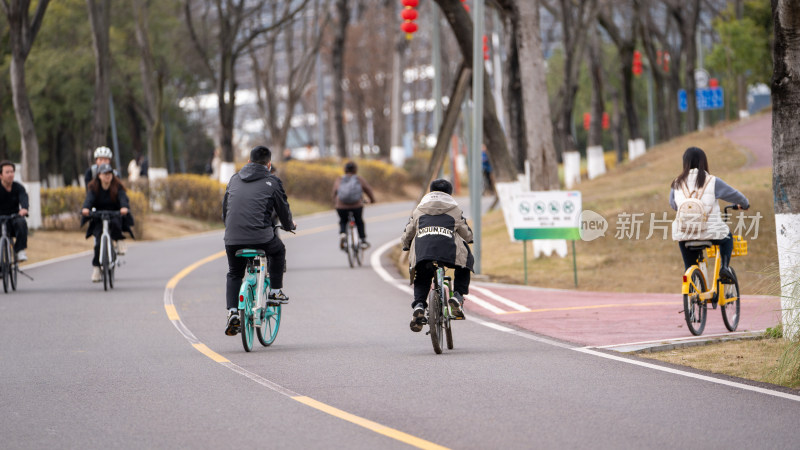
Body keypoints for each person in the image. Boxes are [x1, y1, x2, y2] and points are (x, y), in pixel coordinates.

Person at [222, 146, 296, 336]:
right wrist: (289, 226)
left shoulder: (234, 179)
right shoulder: (272, 181)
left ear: (248, 162)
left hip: (232, 238)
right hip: (261, 238)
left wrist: (231, 229)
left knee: (234, 273)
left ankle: (232, 313)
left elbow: (225, 210)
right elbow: (283, 211)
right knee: (278, 250)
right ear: (269, 164)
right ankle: (275, 291)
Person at [401, 179, 473, 332]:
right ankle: (457, 297)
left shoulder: (419, 209)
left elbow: (408, 232)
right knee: (465, 263)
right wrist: (469, 238)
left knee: (422, 276)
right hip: (448, 251)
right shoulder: (454, 209)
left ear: (431, 191)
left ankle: (419, 305)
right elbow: (466, 234)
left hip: (423, 251)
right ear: (449, 192)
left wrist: (406, 245)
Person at [670, 147, 749, 284]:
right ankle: (724, 268)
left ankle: (690, 281)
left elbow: (674, 205)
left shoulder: (676, 183)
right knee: (727, 237)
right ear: (703, 162)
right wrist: (745, 204)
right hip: (711, 232)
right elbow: (735, 195)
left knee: (689, 264)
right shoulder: (712, 181)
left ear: (685, 163)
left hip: (684, 233)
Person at [81, 164, 135, 282]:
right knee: (98, 242)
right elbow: (89, 200)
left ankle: (119, 240)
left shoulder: (117, 186)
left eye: (109, 174)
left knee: (117, 223)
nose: (107, 177)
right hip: (99, 215)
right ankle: (96, 268)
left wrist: (124, 207)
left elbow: (123, 198)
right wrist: (86, 209)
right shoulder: (93, 187)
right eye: (105, 174)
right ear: (99, 175)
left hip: (114, 213)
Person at [332, 161, 375, 250]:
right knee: (359, 221)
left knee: (343, 221)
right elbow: (368, 190)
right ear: (355, 169)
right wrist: (372, 200)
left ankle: (343, 233)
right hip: (357, 206)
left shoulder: (339, 179)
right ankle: (363, 241)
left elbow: (334, 192)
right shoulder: (359, 179)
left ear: (345, 170)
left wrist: (335, 202)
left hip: (341, 206)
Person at [0, 161, 29, 262]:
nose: (10, 174)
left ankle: (20, 250)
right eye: (7, 172)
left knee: (21, 222)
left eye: (12, 172)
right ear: (1, 175)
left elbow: (24, 197)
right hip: (0, 219)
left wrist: (24, 208)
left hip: (13, 219)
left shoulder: (18, 187)